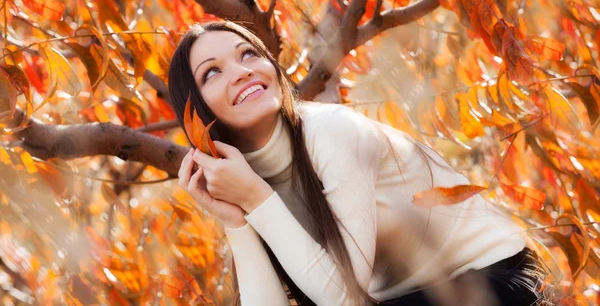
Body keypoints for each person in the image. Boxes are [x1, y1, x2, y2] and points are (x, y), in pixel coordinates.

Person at [168, 21, 548, 306]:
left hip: (488, 282)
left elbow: (342, 300)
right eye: (212, 72)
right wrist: (235, 220)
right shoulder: (242, 176)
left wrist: (256, 199)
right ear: (194, 109)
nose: (242, 70)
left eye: (248, 53)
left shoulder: (331, 130)